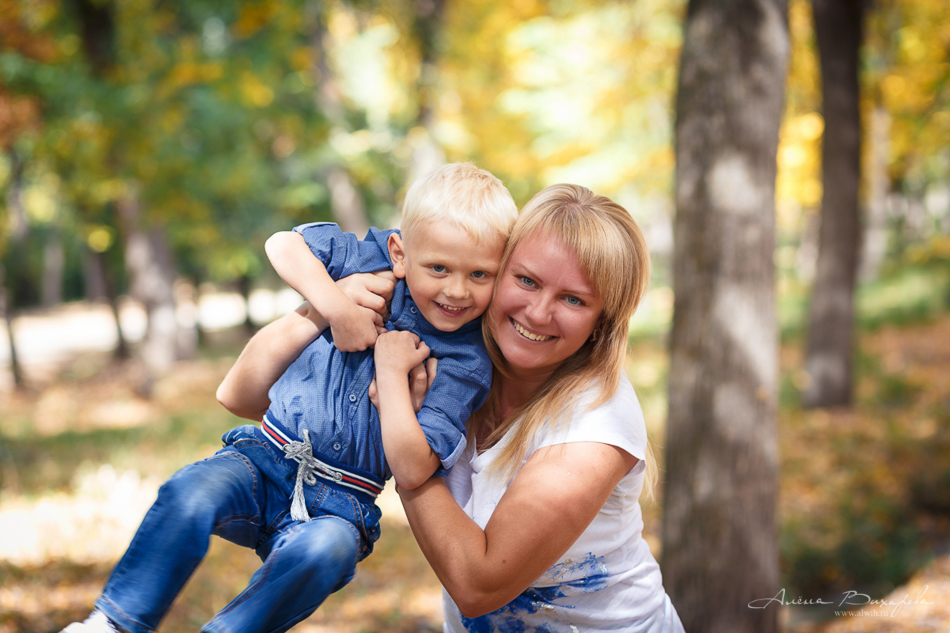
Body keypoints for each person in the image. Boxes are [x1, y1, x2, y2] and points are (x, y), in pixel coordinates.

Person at [60, 162, 518, 633]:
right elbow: (283, 244)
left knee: (326, 551)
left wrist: (392, 372)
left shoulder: (467, 359)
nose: (457, 290)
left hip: (344, 500)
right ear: (400, 252)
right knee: (191, 491)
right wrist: (337, 307)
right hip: (266, 458)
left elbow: (416, 468)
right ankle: (115, 622)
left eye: (480, 275)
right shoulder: (371, 262)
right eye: (438, 268)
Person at [225, 184, 685, 632]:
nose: (539, 313)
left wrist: (399, 420)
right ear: (498, 269)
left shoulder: (596, 419)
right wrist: (326, 309)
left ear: (602, 319)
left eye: (573, 299)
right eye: (526, 280)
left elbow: (479, 585)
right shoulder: (450, 350)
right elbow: (243, 398)